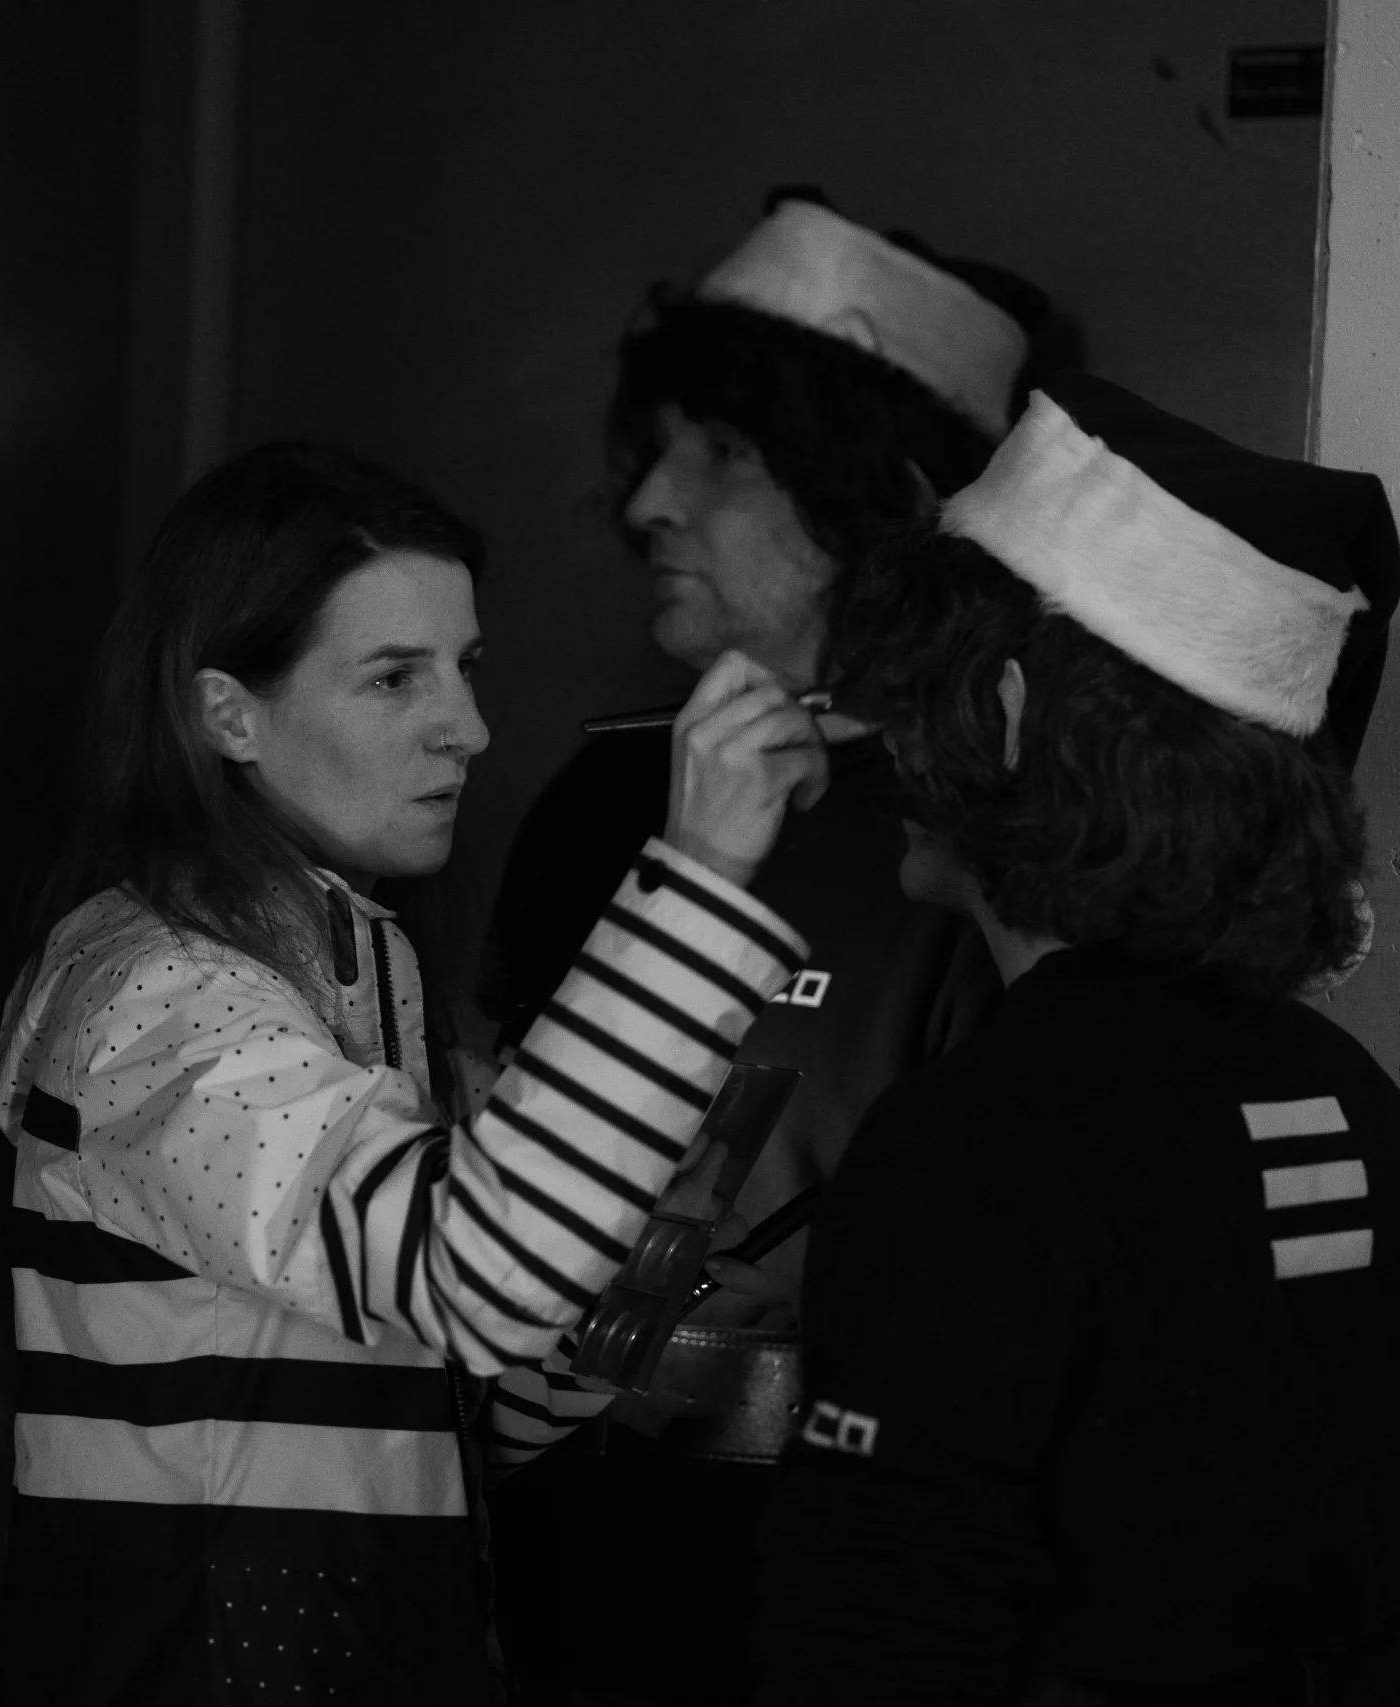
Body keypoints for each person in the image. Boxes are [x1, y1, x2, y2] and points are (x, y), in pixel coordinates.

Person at [0, 441, 827, 1705]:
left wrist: (638, 1261)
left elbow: (458, 1423)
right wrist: (699, 872)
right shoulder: (155, 998)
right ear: (229, 715)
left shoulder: (355, 973)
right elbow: (478, 1281)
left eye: (465, 666)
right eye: (394, 677)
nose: (469, 728)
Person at [752, 374, 1400, 1704]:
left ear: (1012, 708)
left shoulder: (982, 1142)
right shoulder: (1382, 1121)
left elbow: (876, 1625)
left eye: (925, 681)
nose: (890, 731)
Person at [482, 190, 1065, 1704]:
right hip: (574, 1564)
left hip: (881, 1588)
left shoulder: (1001, 834)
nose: (649, 504)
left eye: (727, 453)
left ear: (883, 489)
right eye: (657, 449)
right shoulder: (601, 798)